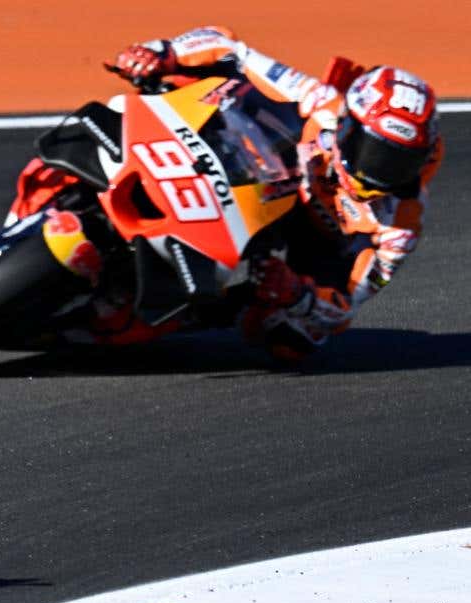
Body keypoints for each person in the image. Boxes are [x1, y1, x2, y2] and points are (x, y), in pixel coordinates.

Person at [109, 26, 443, 358]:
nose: (380, 173)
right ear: (348, 125)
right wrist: (161, 54)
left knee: (294, 338)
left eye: (400, 163)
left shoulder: (401, 227)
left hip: (312, 239)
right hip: (258, 171)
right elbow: (228, 47)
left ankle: (200, 310)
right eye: (376, 154)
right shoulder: (319, 101)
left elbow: (348, 306)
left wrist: (298, 294)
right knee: (181, 83)